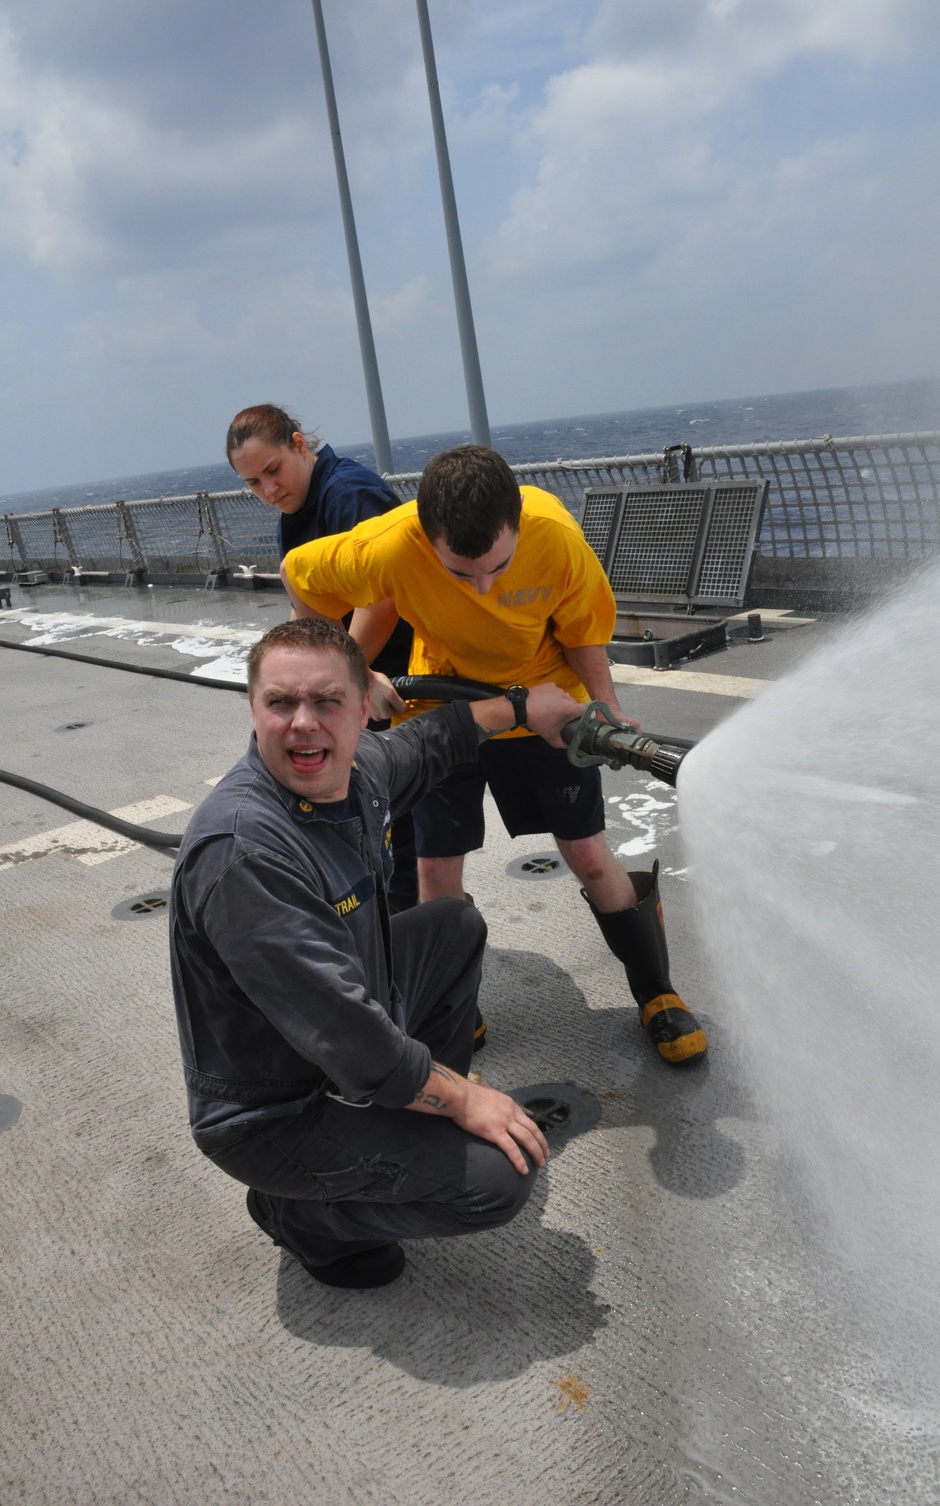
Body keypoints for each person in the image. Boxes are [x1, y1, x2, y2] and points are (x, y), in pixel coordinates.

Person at [170, 617, 580, 1289]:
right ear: (253, 708)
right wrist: (462, 1102)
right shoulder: (245, 852)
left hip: (348, 1036)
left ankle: (407, 1110)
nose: (304, 723)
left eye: (328, 701)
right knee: (498, 1180)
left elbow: (434, 738)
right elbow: (351, 1039)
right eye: (280, 703)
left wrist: (522, 705)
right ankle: (299, 1217)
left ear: (365, 708)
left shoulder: (358, 775)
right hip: (278, 1109)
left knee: (452, 927)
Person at [278, 444, 708, 1069]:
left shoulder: (556, 536)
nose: (482, 586)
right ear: (427, 538)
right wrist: (353, 668)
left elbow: (585, 631)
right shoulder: (393, 542)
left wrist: (607, 705)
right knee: (434, 872)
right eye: (460, 574)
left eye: (498, 568)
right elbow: (299, 574)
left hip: (545, 706)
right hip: (447, 711)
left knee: (588, 853)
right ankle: (450, 1002)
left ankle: (656, 989)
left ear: (517, 522)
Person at [226, 403, 417, 911]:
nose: (268, 490)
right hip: (363, 681)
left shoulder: (349, 495)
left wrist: (346, 680)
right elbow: (307, 609)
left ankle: (409, 937)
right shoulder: (297, 511)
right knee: (371, 814)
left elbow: (385, 597)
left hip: (402, 683)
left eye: (272, 471)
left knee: (402, 822)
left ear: (298, 443)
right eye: (253, 484)